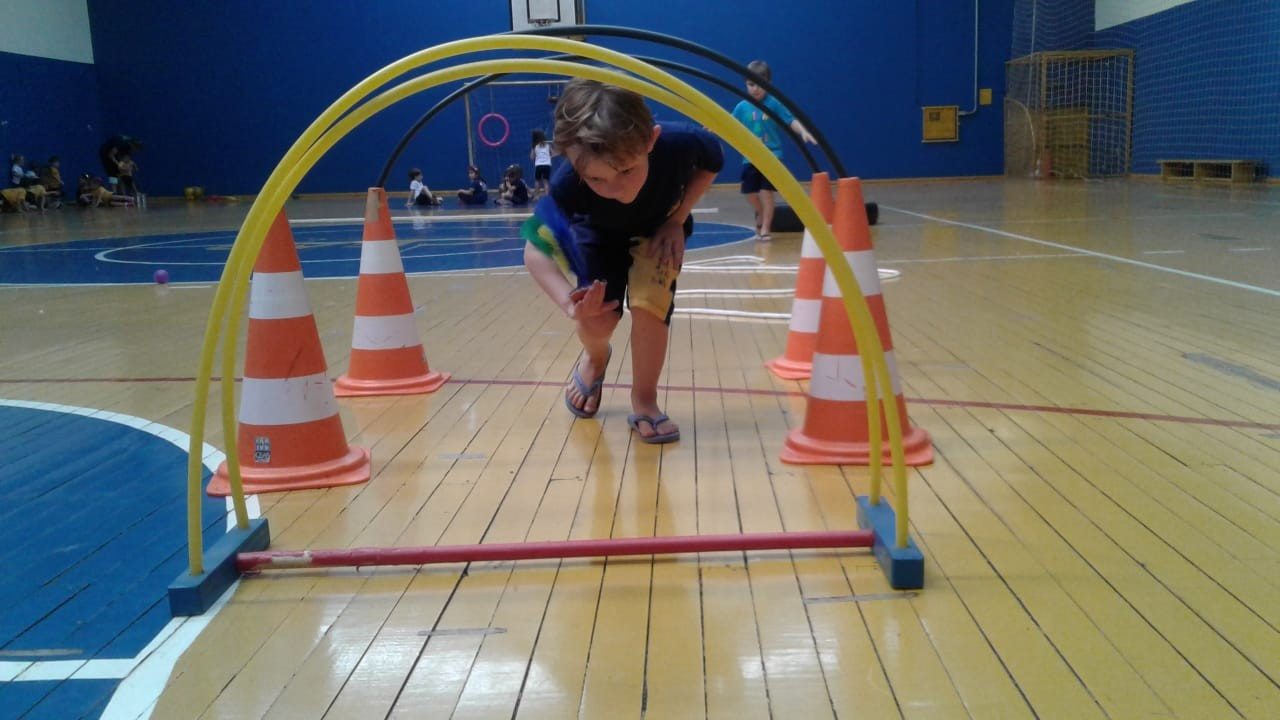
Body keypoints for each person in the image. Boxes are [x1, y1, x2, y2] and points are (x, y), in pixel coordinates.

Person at [522, 79, 723, 444]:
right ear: (573, 163)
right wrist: (570, 305)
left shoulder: (680, 142)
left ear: (651, 140)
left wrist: (677, 220)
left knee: (651, 305)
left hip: (660, 229)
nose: (616, 189)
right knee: (597, 317)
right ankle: (596, 358)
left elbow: (713, 161)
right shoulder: (567, 183)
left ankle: (645, 400)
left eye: (628, 170)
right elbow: (534, 250)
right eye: (596, 178)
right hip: (598, 237)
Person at [730, 59, 816, 241]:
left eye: (759, 85)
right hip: (750, 157)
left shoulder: (774, 103)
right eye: (751, 84)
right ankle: (760, 212)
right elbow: (727, 122)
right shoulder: (742, 107)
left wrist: (803, 131)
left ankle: (766, 228)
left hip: (772, 156)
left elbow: (790, 120)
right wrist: (712, 127)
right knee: (750, 193)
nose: (755, 89)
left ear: (768, 84)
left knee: (766, 192)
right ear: (746, 84)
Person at [530, 129, 553, 196]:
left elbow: (532, 157)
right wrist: (548, 157)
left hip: (539, 165)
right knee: (546, 182)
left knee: (537, 181)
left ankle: (536, 196)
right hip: (547, 165)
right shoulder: (547, 145)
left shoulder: (534, 146)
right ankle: (547, 196)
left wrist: (536, 156)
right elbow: (552, 153)